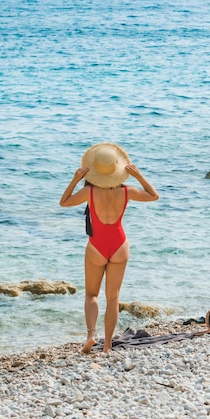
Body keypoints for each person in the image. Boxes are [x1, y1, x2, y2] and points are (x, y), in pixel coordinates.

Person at [59, 142, 159, 353]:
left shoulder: (89, 192)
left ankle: (91, 336)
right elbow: (154, 195)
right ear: (118, 169)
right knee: (113, 298)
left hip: (97, 246)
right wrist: (139, 176)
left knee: (91, 295)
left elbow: (64, 202)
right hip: (120, 245)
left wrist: (75, 179)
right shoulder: (127, 192)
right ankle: (106, 346)